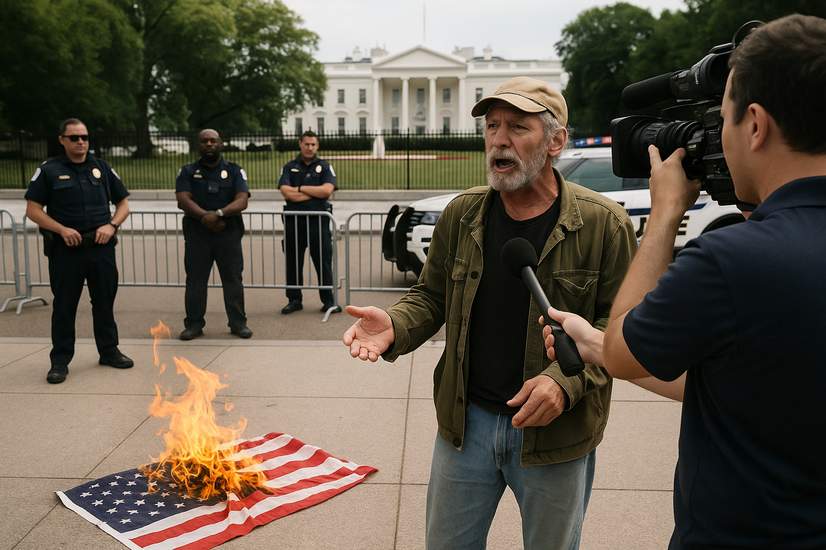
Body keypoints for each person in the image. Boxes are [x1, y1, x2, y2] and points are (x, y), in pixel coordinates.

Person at [552, 15, 826, 549]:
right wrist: (594, 345)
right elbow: (744, 382)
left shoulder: (732, 260)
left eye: (720, 118)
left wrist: (665, 213)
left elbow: (628, 348)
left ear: (754, 123)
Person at [342, 77, 637, 549]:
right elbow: (432, 296)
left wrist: (564, 383)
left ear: (556, 141)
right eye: (492, 126)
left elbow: (621, 334)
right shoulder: (463, 214)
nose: (499, 139)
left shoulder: (604, 224)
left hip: (555, 435)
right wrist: (394, 325)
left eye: (518, 127)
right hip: (466, 425)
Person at [25, 118, 133, 384]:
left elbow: (123, 204)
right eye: (74, 138)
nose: (81, 142)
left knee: (104, 302)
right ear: (62, 140)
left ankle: (109, 351)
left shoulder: (101, 167)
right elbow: (33, 210)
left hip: (100, 248)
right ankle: (60, 361)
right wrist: (61, 229)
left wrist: (112, 225)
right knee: (64, 306)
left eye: (84, 137)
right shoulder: (49, 170)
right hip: (66, 250)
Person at [175, 129, 252, 340]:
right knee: (196, 281)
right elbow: (183, 199)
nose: (209, 144)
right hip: (197, 235)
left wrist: (218, 214)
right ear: (198, 145)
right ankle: (193, 324)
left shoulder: (234, 171)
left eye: (213, 140)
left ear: (221, 143)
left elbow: (242, 199)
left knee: (233, 280)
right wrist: (204, 218)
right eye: (204, 141)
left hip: (228, 234)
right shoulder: (187, 171)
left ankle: (238, 323)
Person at [278, 130, 340, 314]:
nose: (310, 147)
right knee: (293, 261)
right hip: (294, 223)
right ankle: (294, 299)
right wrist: (313, 193)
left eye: (313, 144)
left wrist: (299, 188)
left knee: (323, 261)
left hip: (318, 222)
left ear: (317, 146)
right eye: (307, 144)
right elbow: (285, 192)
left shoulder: (325, 166)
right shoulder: (289, 167)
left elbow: (327, 191)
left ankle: (329, 301)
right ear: (300, 144)